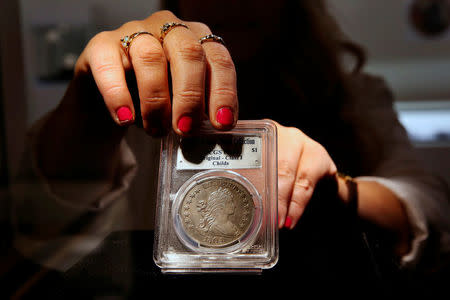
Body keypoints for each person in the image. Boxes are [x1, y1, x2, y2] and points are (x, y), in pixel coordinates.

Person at [11, 0, 449, 288]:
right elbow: (43, 222)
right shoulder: (149, 96)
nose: (233, 1)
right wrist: (87, 110)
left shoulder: (357, 94)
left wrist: (332, 186)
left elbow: (426, 207)